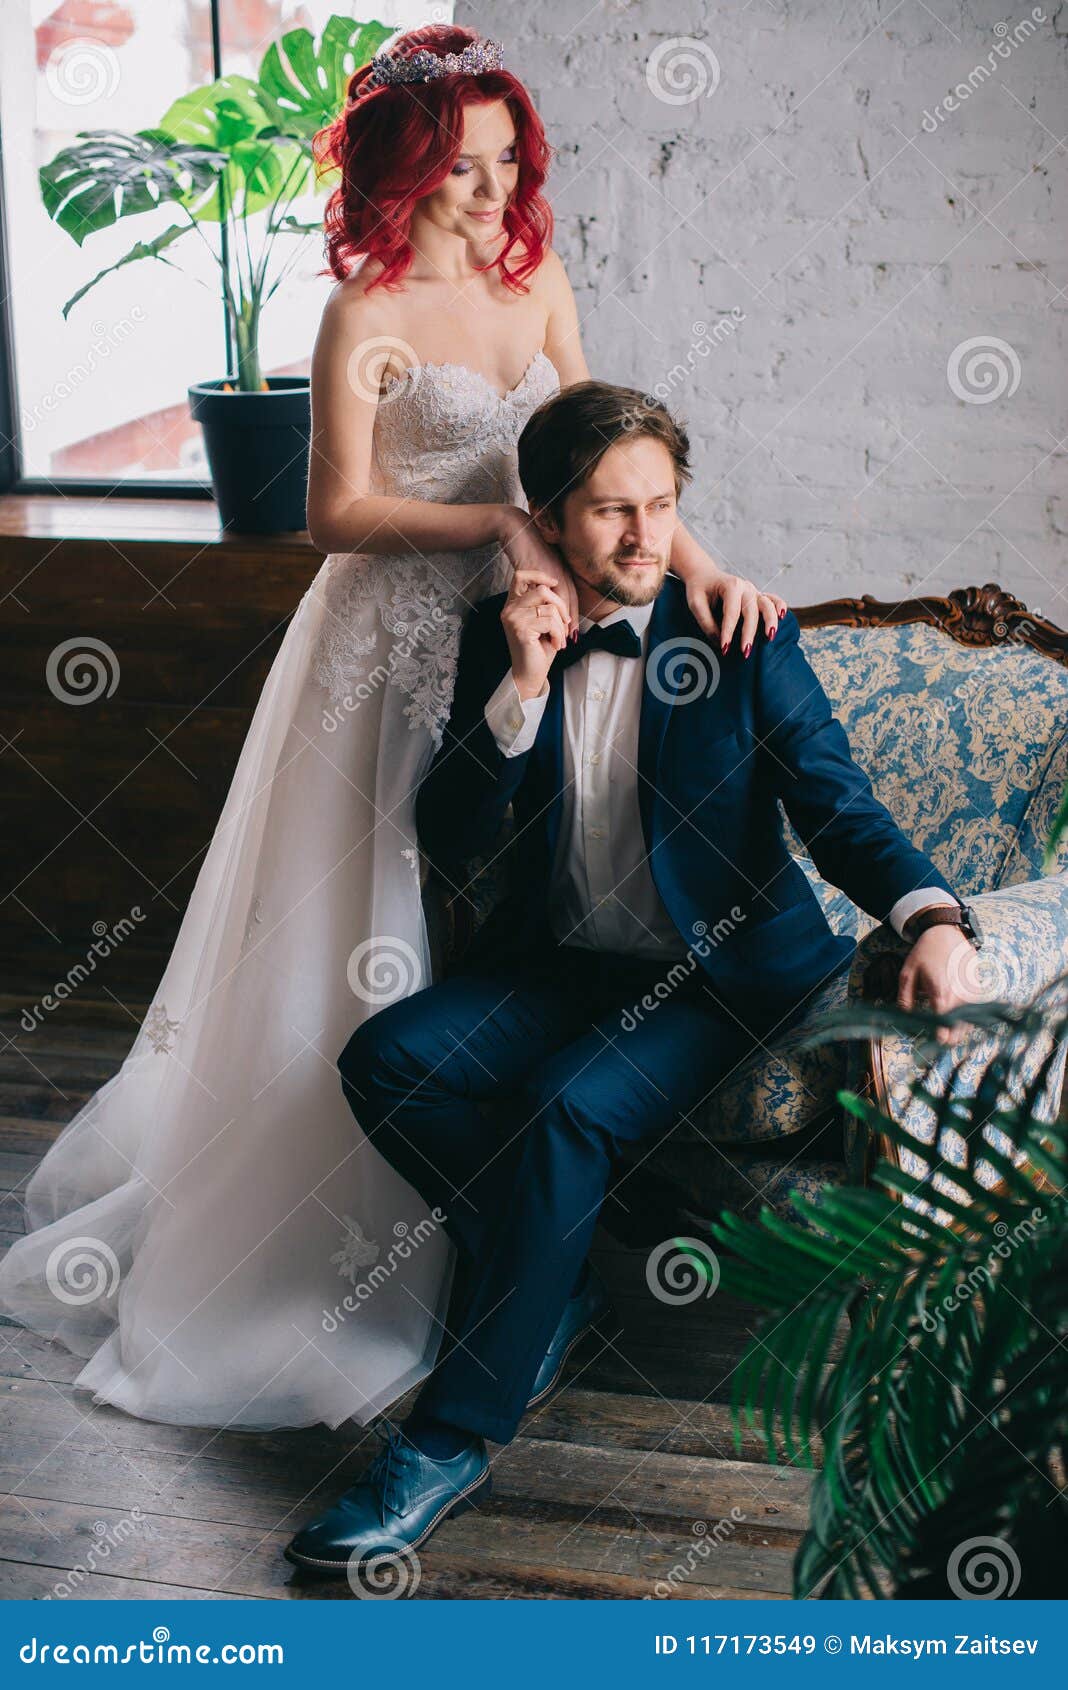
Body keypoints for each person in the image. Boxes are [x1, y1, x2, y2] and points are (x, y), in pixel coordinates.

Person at [0, 25, 785, 1432]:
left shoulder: (537, 278)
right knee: (363, 922)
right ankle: (351, 1249)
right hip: (388, 641)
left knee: (496, 918)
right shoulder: (362, 313)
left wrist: (703, 564)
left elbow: (602, 451)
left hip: (521, 626)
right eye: (463, 170)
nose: (495, 196)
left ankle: (517, 1215)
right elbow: (333, 515)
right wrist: (490, 519)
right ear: (404, 173)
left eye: (507, 164)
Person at [283, 379, 978, 1575]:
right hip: (570, 968)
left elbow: (838, 804)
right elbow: (450, 836)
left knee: (568, 1106)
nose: (646, 537)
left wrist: (932, 915)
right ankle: (548, 1284)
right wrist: (521, 690)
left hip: (723, 983)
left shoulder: (740, 639)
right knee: (387, 1060)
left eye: (661, 506)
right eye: (612, 512)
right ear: (549, 519)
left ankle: (449, 1437)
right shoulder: (499, 634)